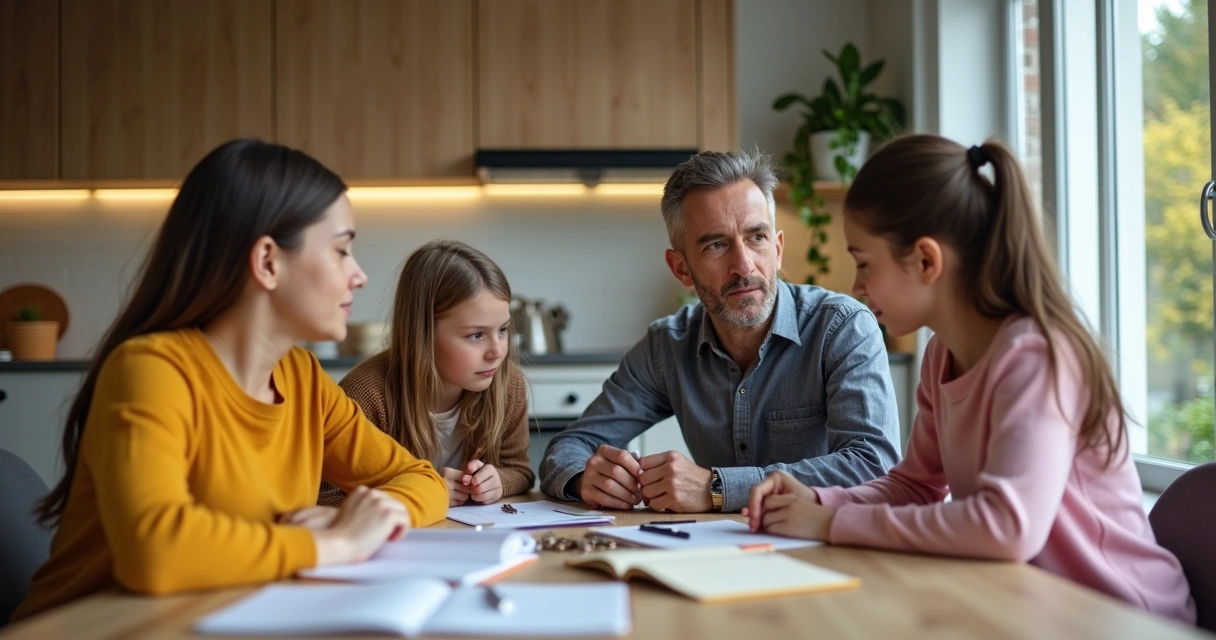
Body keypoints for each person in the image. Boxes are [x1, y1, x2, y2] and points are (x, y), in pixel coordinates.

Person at [744, 135, 1195, 623]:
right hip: (1035, 604)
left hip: (1122, 615)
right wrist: (816, 499)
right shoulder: (942, 355)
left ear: (925, 260)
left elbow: (1007, 527)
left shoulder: (1036, 357)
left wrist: (833, 522)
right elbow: (916, 486)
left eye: (863, 263)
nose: (855, 287)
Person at [12, 139, 448, 622]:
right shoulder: (152, 369)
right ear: (267, 262)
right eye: (342, 250)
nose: (359, 275)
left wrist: (368, 520)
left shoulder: (303, 378)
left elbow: (421, 478)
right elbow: (156, 553)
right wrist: (336, 541)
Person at [540, 149, 901, 513]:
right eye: (716, 245)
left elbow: (874, 465)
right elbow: (569, 447)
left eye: (756, 237)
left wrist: (717, 488)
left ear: (777, 250)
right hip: (712, 553)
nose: (743, 265)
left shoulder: (841, 328)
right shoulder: (667, 347)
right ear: (681, 268)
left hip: (824, 548)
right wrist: (588, 479)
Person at [319, 240, 533, 507]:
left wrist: (500, 481)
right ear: (423, 333)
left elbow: (520, 471)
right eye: (476, 335)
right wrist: (421, 492)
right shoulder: (364, 394)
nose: (498, 351)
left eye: (502, 330)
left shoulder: (507, 382)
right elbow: (325, 497)